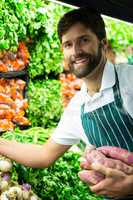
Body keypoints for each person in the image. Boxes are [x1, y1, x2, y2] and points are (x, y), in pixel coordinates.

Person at [0, 7, 133, 200]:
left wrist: (129, 185)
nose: (76, 51)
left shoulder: (129, 81)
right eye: (68, 45)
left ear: (103, 44)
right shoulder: (78, 106)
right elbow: (44, 155)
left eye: (84, 40)